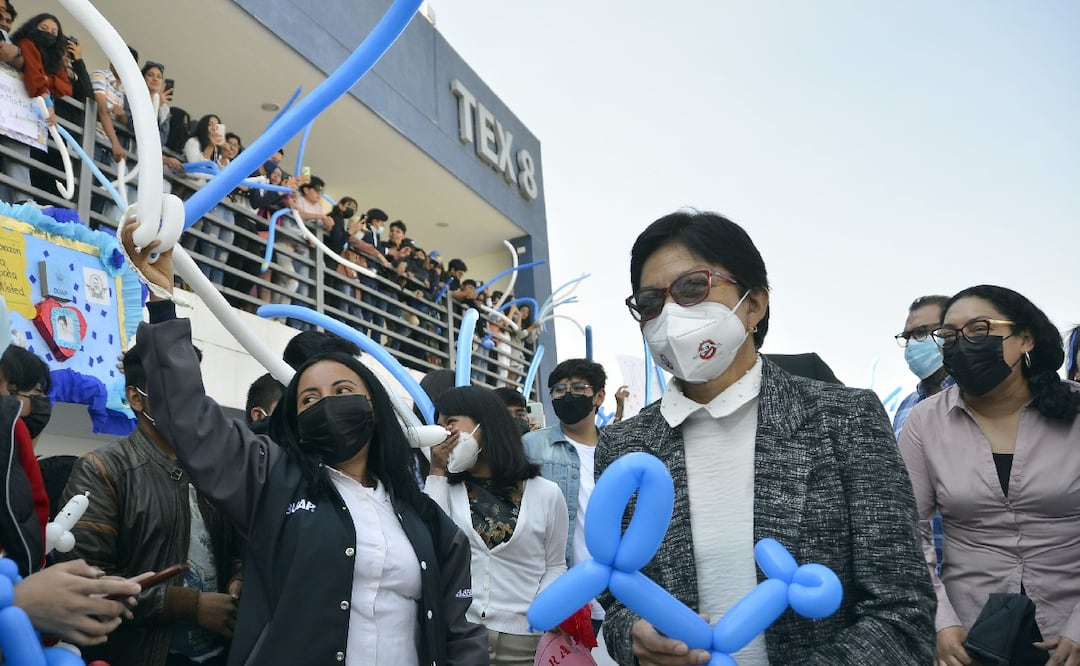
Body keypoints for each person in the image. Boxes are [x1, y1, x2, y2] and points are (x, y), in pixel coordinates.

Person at [115, 218, 488, 665]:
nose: (326, 403)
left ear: (374, 406)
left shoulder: (425, 517)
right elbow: (191, 421)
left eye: (343, 392)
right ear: (294, 419)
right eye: (309, 398)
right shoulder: (270, 479)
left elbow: (460, 634)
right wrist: (162, 303)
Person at [598, 210, 935, 665]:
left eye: (693, 287)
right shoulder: (624, 446)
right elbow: (619, 597)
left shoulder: (845, 420)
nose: (670, 315)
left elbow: (902, 612)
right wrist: (632, 639)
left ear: (754, 304)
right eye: (651, 302)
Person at [899, 285, 1080, 666]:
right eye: (949, 335)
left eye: (979, 330)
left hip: (1068, 624)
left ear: (1024, 339)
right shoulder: (925, 421)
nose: (962, 343)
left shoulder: (1075, 410)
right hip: (970, 635)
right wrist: (941, 623)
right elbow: (906, 531)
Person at [63, 346, 244, 666]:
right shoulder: (103, 469)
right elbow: (88, 582)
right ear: (136, 398)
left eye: (193, 387)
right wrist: (191, 606)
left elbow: (238, 546)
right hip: (144, 655)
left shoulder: (213, 467)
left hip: (220, 654)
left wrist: (238, 579)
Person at [426, 386, 568, 666]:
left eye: (450, 422)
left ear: (486, 425)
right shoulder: (446, 490)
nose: (443, 433)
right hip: (461, 636)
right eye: (439, 424)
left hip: (527, 642)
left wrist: (539, 611)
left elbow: (555, 565)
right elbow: (431, 544)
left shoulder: (546, 493)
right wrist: (437, 471)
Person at [522, 359, 608, 636]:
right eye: (559, 389)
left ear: (599, 396)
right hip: (557, 593)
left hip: (613, 597)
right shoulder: (531, 447)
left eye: (578, 387)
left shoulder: (619, 447)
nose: (568, 395)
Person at [892, 295, 953, 437]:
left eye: (920, 332)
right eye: (907, 337)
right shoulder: (907, 404)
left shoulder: (974, 397)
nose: (912, 343)